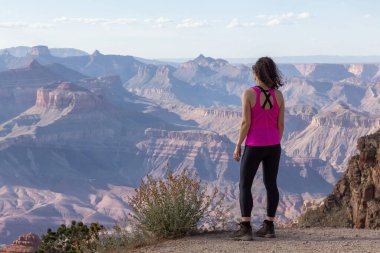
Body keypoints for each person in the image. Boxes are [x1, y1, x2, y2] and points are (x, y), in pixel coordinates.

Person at [231, 56, 285, 241]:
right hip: (274, 145)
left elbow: (246, 122)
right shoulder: (278, 95)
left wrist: (238, 144)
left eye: (254, 72)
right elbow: (281, 124)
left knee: (245, 184)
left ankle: (246, 228)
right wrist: (275, 141)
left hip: (254, 145)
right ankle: (269, 226)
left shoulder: (249, 93)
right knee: (271, 184)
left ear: (257, 73)